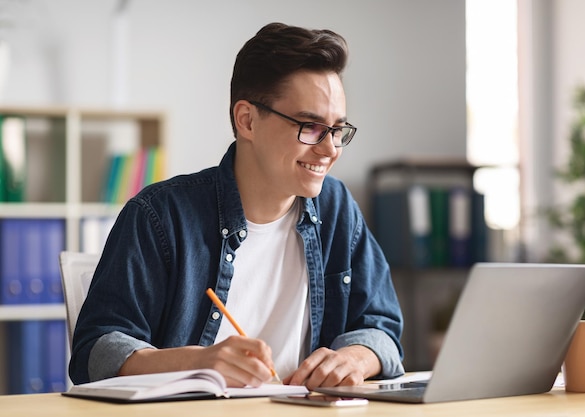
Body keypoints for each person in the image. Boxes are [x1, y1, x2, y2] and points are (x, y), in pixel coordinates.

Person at [69, 22, 404, 389]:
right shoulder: (160, 216)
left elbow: (381, 327)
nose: (330, 149)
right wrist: (199, 363)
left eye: (337, 130)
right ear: (247, 120)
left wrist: (351, 359)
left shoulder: (336, 208)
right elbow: (94, 353)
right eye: (310, 127)